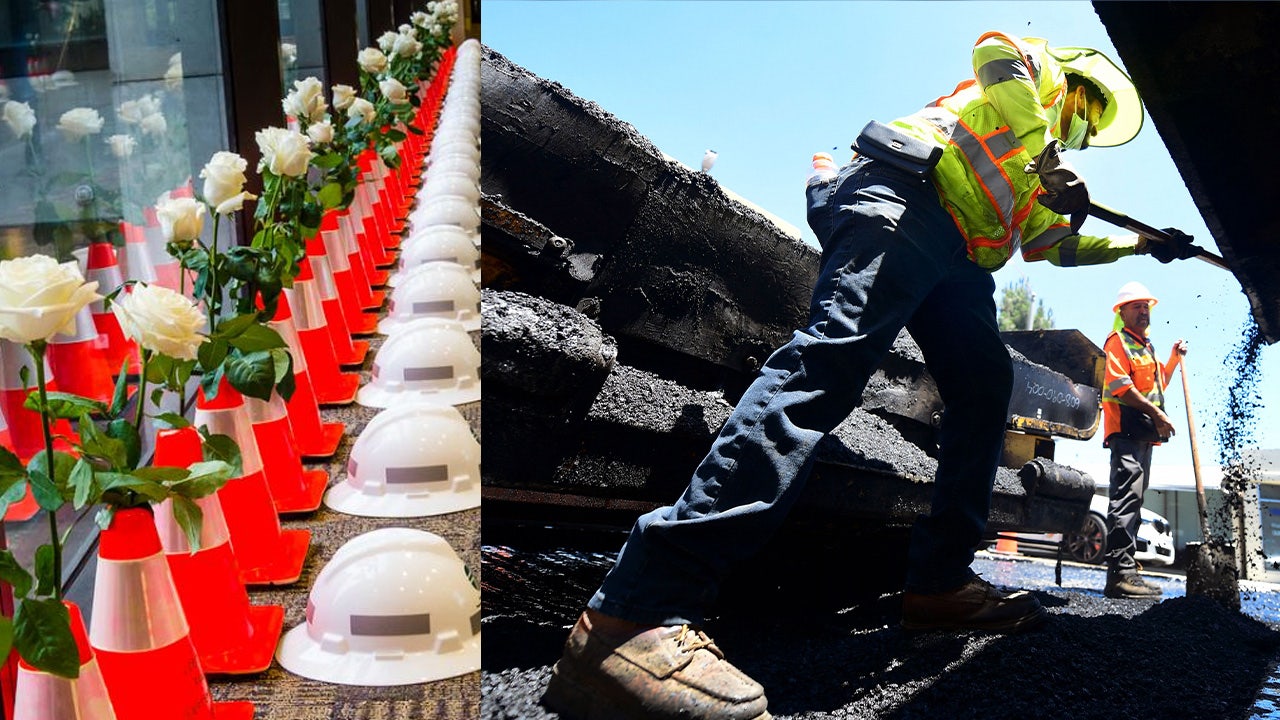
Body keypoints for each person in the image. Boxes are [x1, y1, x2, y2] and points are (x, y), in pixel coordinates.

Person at [544, 32, 1199, 720]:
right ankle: (634, 614)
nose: (1086, 129)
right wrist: (1046, 154)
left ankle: (940, 586)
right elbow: (995, 54)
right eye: (1088, 113)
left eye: (1091, 128)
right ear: (1079, 88)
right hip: (904, 195)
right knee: (832, 361)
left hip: (960, 258)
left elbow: (1049, 242)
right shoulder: (1030, 73)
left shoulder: (1047, 174)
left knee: (983, 393)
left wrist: (1139, 244)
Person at [1100, 281, 1187, 599]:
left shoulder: (1146, 347)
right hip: (1125, 430)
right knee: (1125, 499)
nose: (1143, 310)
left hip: (1144, 433)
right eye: (1136, 305)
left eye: (1146, 306)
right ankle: (1119, 576)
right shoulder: (1117, 342)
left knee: (1135, 500)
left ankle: (1127, 569)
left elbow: (1157, 385)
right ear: (1121, 312)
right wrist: (1160, 416)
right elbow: (1121, 388)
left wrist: (1173, 360)